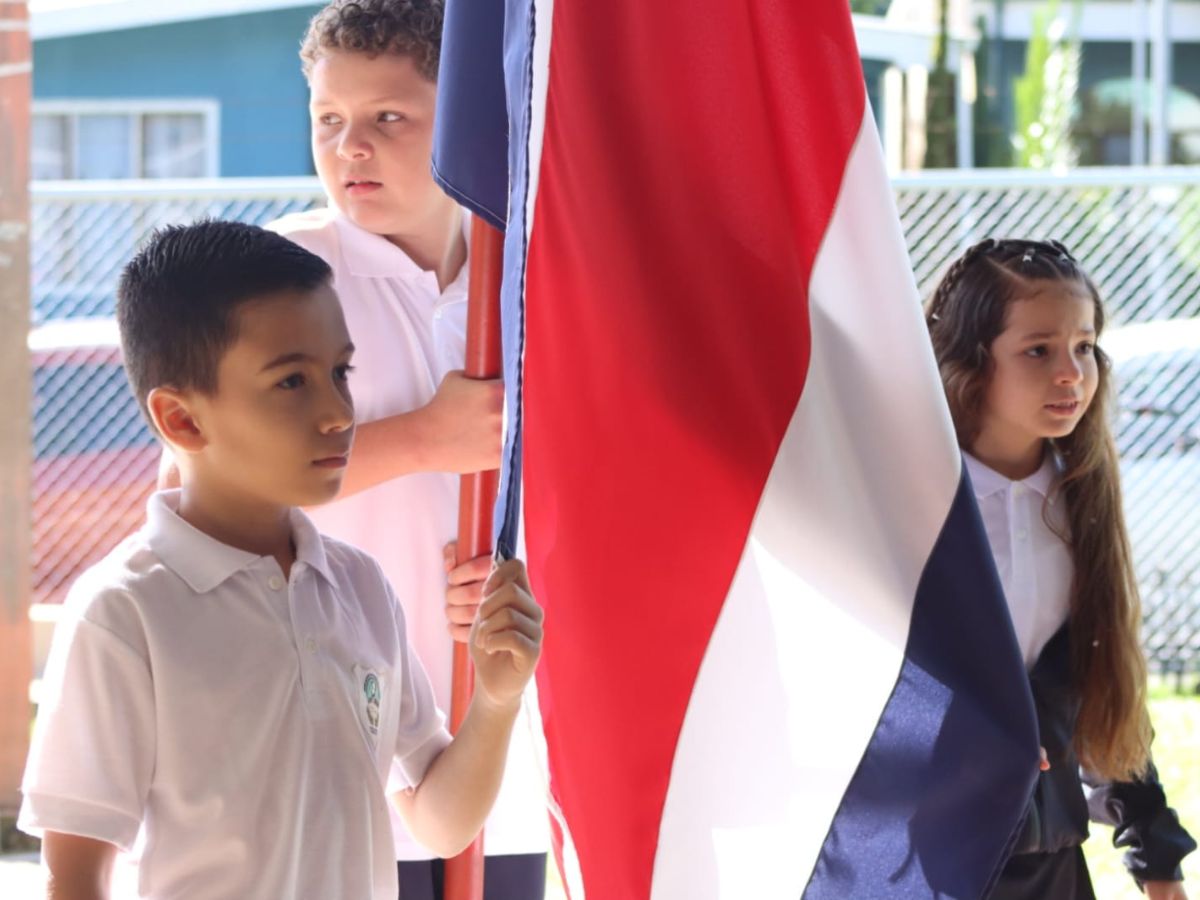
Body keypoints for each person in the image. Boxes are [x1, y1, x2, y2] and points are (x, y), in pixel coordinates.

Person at [20, 220, 544, 900]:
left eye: (339, 372)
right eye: (292, 382)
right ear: (181, 420)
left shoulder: (359, 587)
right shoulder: (123, 612)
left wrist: (498, 698)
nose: (337, 413)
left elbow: (441, 824)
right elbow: (75, 872)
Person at [273, 2, 550, 896]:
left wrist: (528, 571)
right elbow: (207, 489)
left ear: (462, 124)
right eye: (329, 120)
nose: (349, 147)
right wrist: (424, 438)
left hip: (495, 762)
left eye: (388, 118)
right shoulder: (277, 279)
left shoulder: (530, 276)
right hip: (328, 761)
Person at [925, 237, 1196, 900]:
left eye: (1085, 346)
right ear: (970, 362)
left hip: (1047, 863)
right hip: (922, 861)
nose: (1071, 372)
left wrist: (1157, 862)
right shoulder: (917, 501)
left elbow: (1097, 694)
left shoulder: (1082, 498)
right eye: (1038, 350)